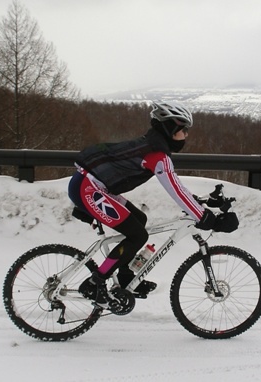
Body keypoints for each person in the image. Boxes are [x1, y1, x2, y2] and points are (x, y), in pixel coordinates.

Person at [68, 100, 219, 304]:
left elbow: (179, 189)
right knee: (138, 235)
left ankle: (124, 277)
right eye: (184, 129)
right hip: (88, 188)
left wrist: (196, 202)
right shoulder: (156, 155)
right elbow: (175, 192)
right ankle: (96, 282)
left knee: (139, 219)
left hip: (94, 185)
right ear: (170, 128)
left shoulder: (152, 146)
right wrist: (203, 216)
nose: (186, 135)